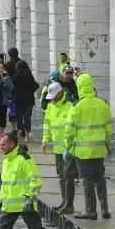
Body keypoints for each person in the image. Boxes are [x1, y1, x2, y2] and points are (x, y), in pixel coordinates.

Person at [0, 133, 56, 229]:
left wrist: (29, 198)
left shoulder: (25, 159)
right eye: (0, 144)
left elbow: (36, 181)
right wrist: (0, 200)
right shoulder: (7, 159)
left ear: (12, 144)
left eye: (3, 144)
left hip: (25, 204)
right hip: (9, 205)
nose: (0, 147)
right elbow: (5, 184)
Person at [64, 74, 113, 220]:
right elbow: (109, 129)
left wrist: (68, 146)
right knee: (100, 178)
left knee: (87, 180)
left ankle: (90, 211)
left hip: (82, 151)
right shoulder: (103, 104)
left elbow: (69, 130)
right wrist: (107, 145)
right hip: (99, 150)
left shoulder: (77, 106)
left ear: (79, 87)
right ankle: (104, 209)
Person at [41, 82, 77, 214]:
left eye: (53, 96)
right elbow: (47, 125)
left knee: (69, 176)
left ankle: (69, 204)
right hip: (57, 147)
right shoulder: (51, 107)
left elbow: (73, 126)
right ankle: (64, 201)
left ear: (60, 93)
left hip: (69, 147)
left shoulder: (70, 106)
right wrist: (45, 141)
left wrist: (70, 146)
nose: (51, 98)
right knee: (61, 175)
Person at [11, 59, 40, 140]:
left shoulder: (15, 76)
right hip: (28, 99)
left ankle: (19, 133)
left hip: (18, 99)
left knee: (19, 117)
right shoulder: (29, 75)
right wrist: (37, 86)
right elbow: (33, 87)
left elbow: (12, 88)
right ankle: (27, 136)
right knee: (27, 117)